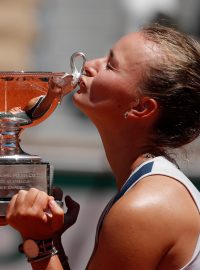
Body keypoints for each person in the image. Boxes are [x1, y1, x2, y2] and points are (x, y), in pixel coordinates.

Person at [5, 24, 200, 270]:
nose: (89, 65)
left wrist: (39, 241)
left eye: (110, 65)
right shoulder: (149, 191)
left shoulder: (144, 207)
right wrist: (50, 241)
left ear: (141, 108)